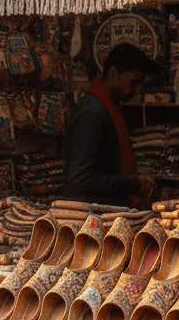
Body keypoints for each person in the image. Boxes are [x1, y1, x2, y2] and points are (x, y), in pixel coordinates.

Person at [63, 43, 158, 208]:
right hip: (92, 220)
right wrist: (132, 182)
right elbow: (80, 177)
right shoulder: (93, 112)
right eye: (134, 82)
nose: (137, 90)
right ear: (113, 73)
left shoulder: (107, 107)